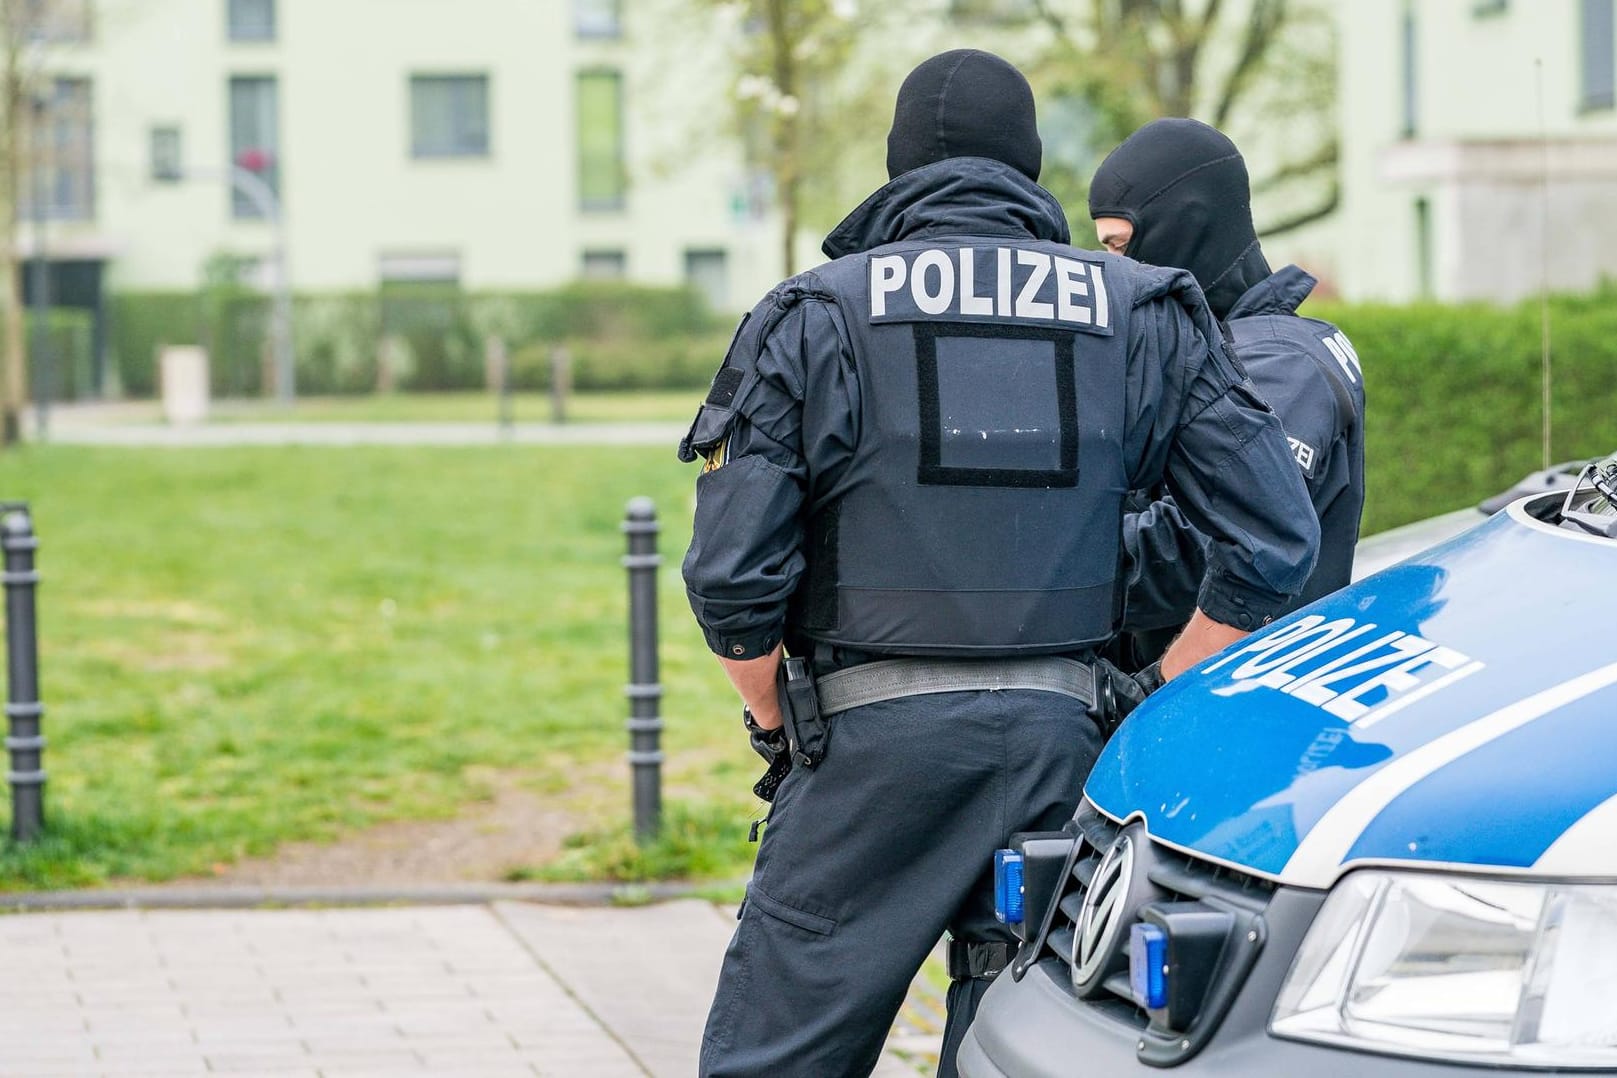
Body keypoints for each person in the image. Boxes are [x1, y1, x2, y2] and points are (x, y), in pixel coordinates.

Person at [679, 52, 1319, 1078]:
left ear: (896, 169)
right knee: (1019, 1053)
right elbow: (1274, 536)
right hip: (1065, 754)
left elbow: (730, 579)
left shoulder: (816, 311)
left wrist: (773, 717)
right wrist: (1150, 686)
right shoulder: (1143, 308)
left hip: (866, 753)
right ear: (1029, 164)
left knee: (776, 1054)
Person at [1088, 118, 1367, 671]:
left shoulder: (1282, 364)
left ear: (1187, 228)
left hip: (1237, 709)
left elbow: (1196, 548)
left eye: (1121, 247)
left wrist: (1025, 567)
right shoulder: (1205, 350)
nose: (1115, 272)